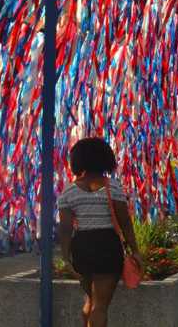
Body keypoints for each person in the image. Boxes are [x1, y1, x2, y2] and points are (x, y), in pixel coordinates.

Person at [58, 137, 143, 327]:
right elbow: (125, 223)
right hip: (106, 245)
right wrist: (135, 250)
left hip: (81, 247)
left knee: (90, 300)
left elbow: (65, 228)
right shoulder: (112, 187)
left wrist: (65, 256)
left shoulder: (68, 192)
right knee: (101, 306)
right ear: (105, 158)